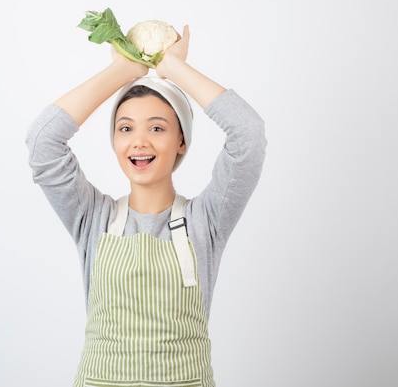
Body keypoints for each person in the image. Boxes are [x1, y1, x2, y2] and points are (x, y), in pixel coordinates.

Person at [26, 25, 267, 387]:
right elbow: (42, 142)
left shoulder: (207, 220)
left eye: (157, 128)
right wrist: (123, 71)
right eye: (125, 128)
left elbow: (248, 133)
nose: (139, 142)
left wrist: (173, 69)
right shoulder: (93, 218)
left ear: (181, 141)